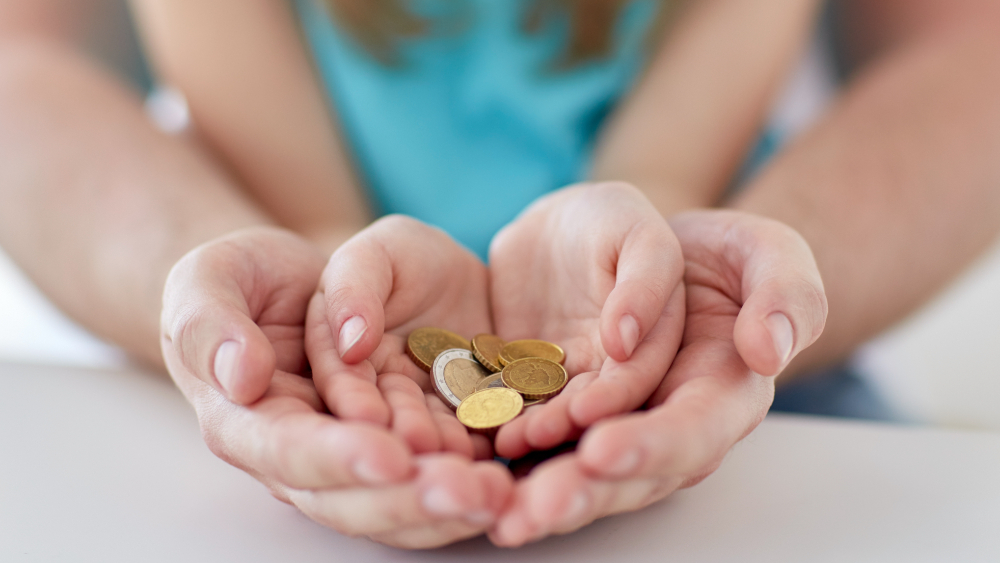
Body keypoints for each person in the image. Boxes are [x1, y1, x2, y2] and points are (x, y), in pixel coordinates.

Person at [1, 0, 999, 550]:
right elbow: (24, 67)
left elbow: (969, 60)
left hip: (713, 329)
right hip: (282, 337)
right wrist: (302, 251)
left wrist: (662, 242)